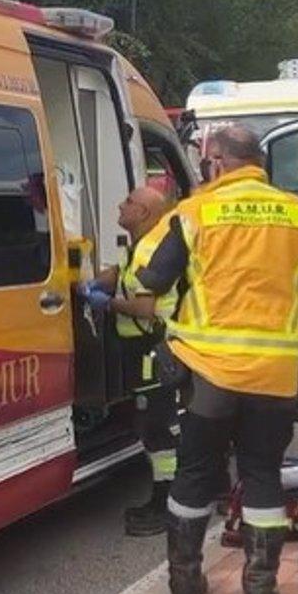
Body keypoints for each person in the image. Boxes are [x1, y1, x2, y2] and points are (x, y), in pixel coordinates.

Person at [136, 125, 298, 594]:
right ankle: (261, 592)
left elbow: (154, 279)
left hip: (209, 376)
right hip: (275, 374)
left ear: (218, 162)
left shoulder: (195, 212)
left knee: (195, 474)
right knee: (263, 474)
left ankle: (184, 584)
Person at [81, 186, 180, 537]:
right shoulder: (141, 245)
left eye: (129, 202)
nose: (121, 206)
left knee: (158, 428)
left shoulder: (152, 250)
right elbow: (119, 273)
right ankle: (167, 498)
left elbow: (144, 308)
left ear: (144, 214)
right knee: (153, 425)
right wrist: (93, 283)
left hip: (158, 348)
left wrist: (105, 303)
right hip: (145, 348)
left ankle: (166, 503)